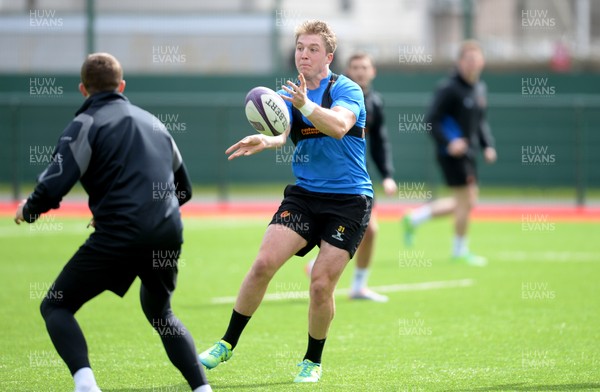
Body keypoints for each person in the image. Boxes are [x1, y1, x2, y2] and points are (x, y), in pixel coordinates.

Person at [14, 53, 211, 392]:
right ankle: (202, 388)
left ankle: (86, 385)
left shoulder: (86, 124)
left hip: (119, 235)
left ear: (83, 90)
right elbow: (185, 190)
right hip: (166, 234)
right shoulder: (154, 123)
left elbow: (54, 185)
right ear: (121, 86)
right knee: (161, 314)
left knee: (56, 305)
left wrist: (28, 210)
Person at [198, 20, 371, 383]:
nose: (303, 55)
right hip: (305, 195)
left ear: (328, 56)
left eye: (312, 49)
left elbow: (338, 126)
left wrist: (306, 104)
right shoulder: (288, 92)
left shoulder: (346, 89)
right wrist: (265, 140)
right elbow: (282, 134)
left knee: (321, 283)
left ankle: (312, 360)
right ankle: (226, 343)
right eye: (299, 48)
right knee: (263, 263)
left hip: (348, 200)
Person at [306, 52, 396, 302]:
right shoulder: (335, 94)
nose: (360, 71)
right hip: (326, 179)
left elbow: (380, 142)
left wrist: (387, 175)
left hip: (357, 180)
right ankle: (318, 263)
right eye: (355, 67)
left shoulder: (375, 103)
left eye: (364, 67)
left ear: (373, 71)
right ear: (347, 70)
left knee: (372, 230)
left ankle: (358, 285)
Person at [402, 40, 497, 266]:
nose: (473, 64)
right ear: (459, 62)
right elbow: (430, 120)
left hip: (469, 153)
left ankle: (414, 219)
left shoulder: (479, 88)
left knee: (466, 201)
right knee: (466, 200)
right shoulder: (448, 88)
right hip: (451, 154)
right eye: (468, 59)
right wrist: (450, 142)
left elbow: (480, 123)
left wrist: (488, 145)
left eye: (476, 59)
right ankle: (459, 250)